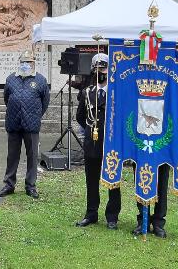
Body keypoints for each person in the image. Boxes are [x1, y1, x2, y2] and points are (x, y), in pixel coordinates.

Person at [75, 53, 121, 230]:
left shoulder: (116, 93)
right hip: (92, 143)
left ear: (109, 70)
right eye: (97, 68)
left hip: (110, 144)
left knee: (113, 180)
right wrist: (91, 129)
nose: (100, 71)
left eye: (103, 68)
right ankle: (91, 213)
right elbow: (80, 116)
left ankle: (112, 216)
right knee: (91, 180)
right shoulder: (87, 93)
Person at [0, 50, 50, 199]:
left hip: (31, 124)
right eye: (23, 62)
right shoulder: (11, 79)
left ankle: (30, 185)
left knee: (32, 155)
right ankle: (9, 184)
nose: (26, 65)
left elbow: (45, 102)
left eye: (29, 62)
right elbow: (7, 98)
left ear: (33, 64)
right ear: (19, 63)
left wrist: (35, 115)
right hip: (14, 122)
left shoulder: (40, 80)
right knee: (12, 155)